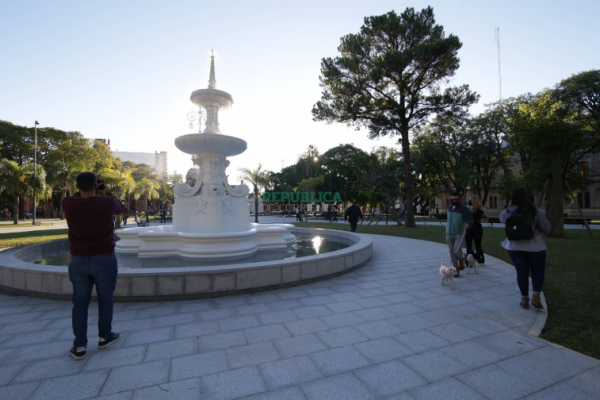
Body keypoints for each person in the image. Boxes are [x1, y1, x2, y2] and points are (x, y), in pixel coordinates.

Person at [62, 172, 127, 360]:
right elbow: (122, 209)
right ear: (96, 186)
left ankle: (80, 345)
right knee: (106, 299)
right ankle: (104, 336)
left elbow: (76, 197)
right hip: (104, 257)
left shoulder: (69, 203)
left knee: (79, 303)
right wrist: (106, 193)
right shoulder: (106, 202)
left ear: (77, 187)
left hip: (78, 259)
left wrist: (83, 190)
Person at [500, 188, 551, 310]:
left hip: (514, 246)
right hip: (534, 245)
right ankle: (536, 295)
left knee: (521, 272)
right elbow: (547, 229)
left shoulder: (508, 211)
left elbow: (502, 220)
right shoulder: (534, 210)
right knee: (538, 271)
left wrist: (508, 207)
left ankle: (524, 299)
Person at [435, 192, 473, 277]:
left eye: (456, 199)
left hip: (459, 233)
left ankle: (462, 260)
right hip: (449, 233)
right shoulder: (449, 207)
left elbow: (470, 219)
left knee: (456, 250)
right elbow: (444, 215)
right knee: (451, 251)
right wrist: (435, 214)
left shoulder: (464, 209)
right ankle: (456, 270)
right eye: (453, 199)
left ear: (460, 199)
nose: (454, 201)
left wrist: (468, 224)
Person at [465, 195, 486, 265]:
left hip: (477, 229)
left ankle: (481, 259)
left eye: (470, 200)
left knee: (478, 245)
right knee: (468, 244)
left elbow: (475, 220)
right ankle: (469, 261)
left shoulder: (479, 211)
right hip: (469, 229)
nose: (469, 201)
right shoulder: (468, 209)